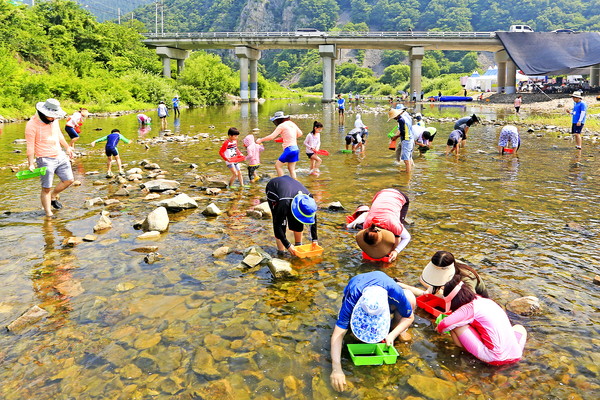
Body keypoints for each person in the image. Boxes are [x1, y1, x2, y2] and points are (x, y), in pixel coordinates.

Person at [330, 271, 416, 392]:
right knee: (349, 331)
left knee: (410, 300)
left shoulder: (396, 293)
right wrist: (336, 368)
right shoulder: (352, 299)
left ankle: (395, 330)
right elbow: (338, 334)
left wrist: (392, 335)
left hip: (388, 293)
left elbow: (409, 317)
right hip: (358, 286)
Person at [436, 275, 527, 365]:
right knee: (519, 327)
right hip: (516, 354)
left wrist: (438, 329)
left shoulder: (469, 308)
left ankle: (465, 351)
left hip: (495, 358)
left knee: (457, 325)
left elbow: (445, 324)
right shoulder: (486, 301)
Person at [25, 99, 74, 217]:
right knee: (46, 188)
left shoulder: (54, 120)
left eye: (54, 116)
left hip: (60, 154)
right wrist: (31, 163)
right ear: (42, 113)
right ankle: (48, 214)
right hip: (45, 158)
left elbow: (59, 135)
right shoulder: (31, 125)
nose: (53, 118)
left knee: (69, 180)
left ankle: (53, 196)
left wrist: (67, 147)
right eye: (51, 116)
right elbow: (30, 145)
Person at [397, 250, 489, 298]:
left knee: (434, 294)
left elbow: (471, 301)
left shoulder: (467, 277)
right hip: (451, 287)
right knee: (427, 293)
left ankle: (398, 284)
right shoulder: (443, 262)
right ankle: (397, 284)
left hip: (469, 296)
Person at [265, 175, 318, 257]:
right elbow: (277, 225)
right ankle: (281, 252)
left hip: (290, 188)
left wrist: (315, 239)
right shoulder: (284, 202)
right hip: (274, 189)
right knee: (281, 223)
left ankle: (298, 246)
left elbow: (313, 220)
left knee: (298, 220)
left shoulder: (309, 199)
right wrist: (288, 245)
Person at [355, 189, 411, 262]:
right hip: (381, 195)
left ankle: (391, 256)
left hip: (399, 197)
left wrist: (396, 251)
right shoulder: (367, 224)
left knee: (397, 235)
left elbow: (407, 237)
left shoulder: (393, 224)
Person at [256, 111, 303, 179]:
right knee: (291, 169)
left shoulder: (281, 126)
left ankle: (282, 182)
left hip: (289, 149)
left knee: (278, 166)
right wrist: (286, 137)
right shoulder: (291, 123)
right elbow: (300, 134)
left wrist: (260, 140)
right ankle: (295, 184)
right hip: (296, 148)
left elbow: (272, 136)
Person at [388, 106, 414, 174]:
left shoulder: (401, 120)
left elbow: (403, 132)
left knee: (406, 158)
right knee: (408, 156)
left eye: (393, 118)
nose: (394, 119)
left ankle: (408, 173)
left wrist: (395, 137)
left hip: (406, 139)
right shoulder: (405, 117)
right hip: (410, 138)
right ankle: (408, 170)